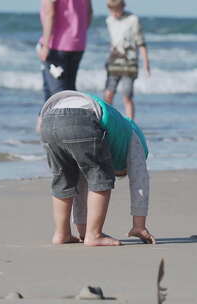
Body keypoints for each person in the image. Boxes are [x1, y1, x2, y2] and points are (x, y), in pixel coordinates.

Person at [39, 90, 155, 246]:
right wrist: (139, 225)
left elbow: (82, 182)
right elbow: (140, 181)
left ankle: (62, 233)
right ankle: (94, 234)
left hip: (48, 118)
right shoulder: (136, 140)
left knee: (63, 178)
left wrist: (82, 228)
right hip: (81, 119)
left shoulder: (116, 130)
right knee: (100, 177)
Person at [37, 0, 93, 102]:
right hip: (77, 43)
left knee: (59, 95)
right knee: (67, 89)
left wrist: (45, 45)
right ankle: (45, 117)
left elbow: (50, 14)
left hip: (57, 46)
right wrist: (79, 32)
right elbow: (89, 13)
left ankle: (69, 116)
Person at [103, 0, 151, 119]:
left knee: (127, 95)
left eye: (116, 10)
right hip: (114, 61)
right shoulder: (109, 20)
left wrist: (146, 63)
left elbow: (141, 43)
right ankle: (108, 120)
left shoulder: (133, 20)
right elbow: (113, 41)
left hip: (129, 63)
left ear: (122, 6)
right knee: (108, 94)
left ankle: (131, 124)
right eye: (111, 10)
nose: (114, 13)